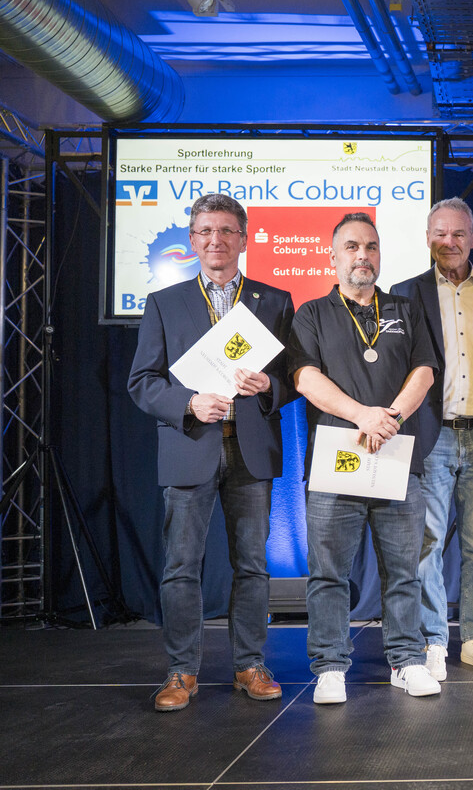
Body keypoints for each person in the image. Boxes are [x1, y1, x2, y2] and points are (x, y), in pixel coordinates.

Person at [128, 193, 294, 712]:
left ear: (244, 239)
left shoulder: (275, 300)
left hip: (250, 451)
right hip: (189, 447)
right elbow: (142, 381)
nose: (215, 240)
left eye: (226, 230)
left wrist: (270, 385)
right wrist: (188, 403)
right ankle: (181, 672)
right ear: (192, 240)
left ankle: (250, 664)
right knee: (181, 566)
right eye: (205, 231)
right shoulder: (164, 303)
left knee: (253, 565)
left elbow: (295, 379)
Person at [289, 212, 439, 703]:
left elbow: (424, 371)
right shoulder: (311, 314)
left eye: (371, 246)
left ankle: (407, 660)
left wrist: (389, 417)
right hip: (338, 459)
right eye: (352, 247)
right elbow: (305, 378)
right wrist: (363, 417)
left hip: (397, 456)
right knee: (329, 573)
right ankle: (331, 666)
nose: (362, 255)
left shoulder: (405, 308)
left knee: (404, 571)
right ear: (333, 256)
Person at [390, 198, 473, 681]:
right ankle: (433, 641)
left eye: (459, 233)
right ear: (427, 238)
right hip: (430, 436)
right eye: (440, 233)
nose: (449, 242)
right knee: (427, 543)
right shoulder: (404, 293)